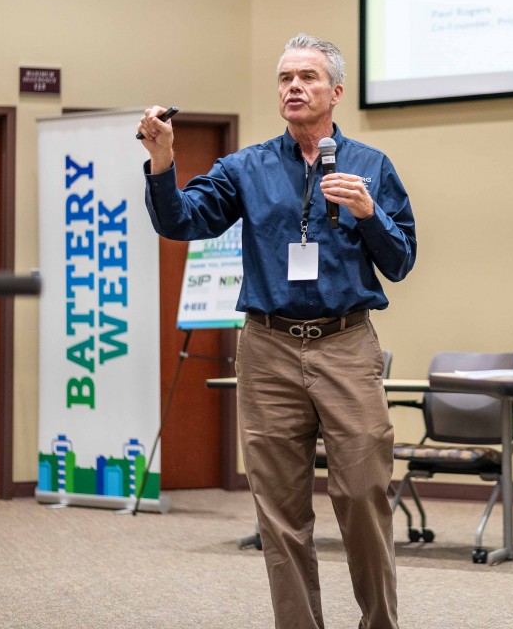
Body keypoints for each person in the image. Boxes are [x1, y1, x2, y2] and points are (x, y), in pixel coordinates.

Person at [138, 33, 417, 629]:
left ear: (335, 92)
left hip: (346, 343)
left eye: (308, 77)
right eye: (286, 77)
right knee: (279, 510)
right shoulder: (247, 167)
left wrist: (370, 214)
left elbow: (400, 262)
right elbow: (181, 221)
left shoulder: (372, 167)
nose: (294, 87)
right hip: (267, 348)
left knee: (364, 495)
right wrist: (162, 160)